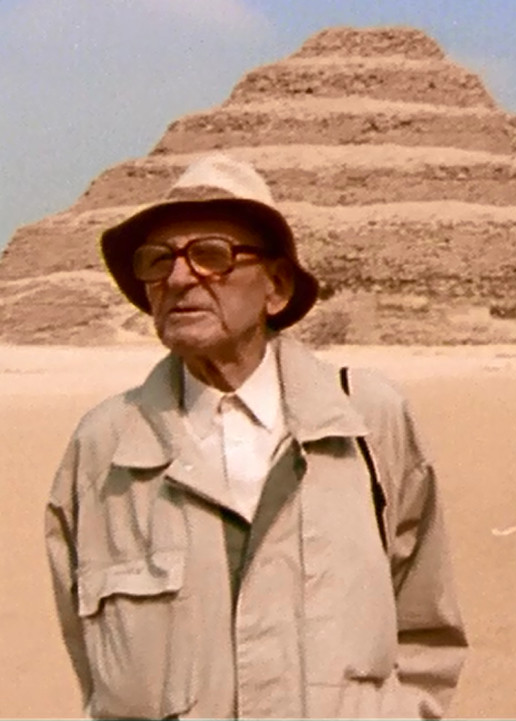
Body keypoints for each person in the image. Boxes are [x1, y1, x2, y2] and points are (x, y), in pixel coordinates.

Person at [45, 153, 467, 719]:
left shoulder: (369, 422)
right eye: (157, 260)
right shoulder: (102, 450)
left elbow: (426, 633)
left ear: (277, 286)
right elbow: (95, 661)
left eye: (211, 255)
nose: (178, 278)